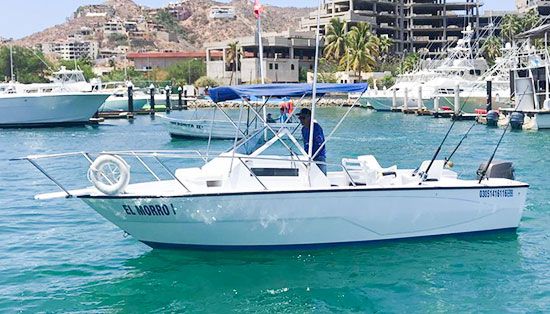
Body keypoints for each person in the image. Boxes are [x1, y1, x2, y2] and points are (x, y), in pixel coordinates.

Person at [297, 108, 327, 174]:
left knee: (321, 178)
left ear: (309, 117)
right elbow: (305, 144)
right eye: (300, 118)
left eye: (303, 118)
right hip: (308, 158)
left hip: (318, 157)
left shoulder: (316, 128)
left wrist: (312, 156)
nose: (301, 120)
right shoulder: (303, 129)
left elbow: (320, 144)